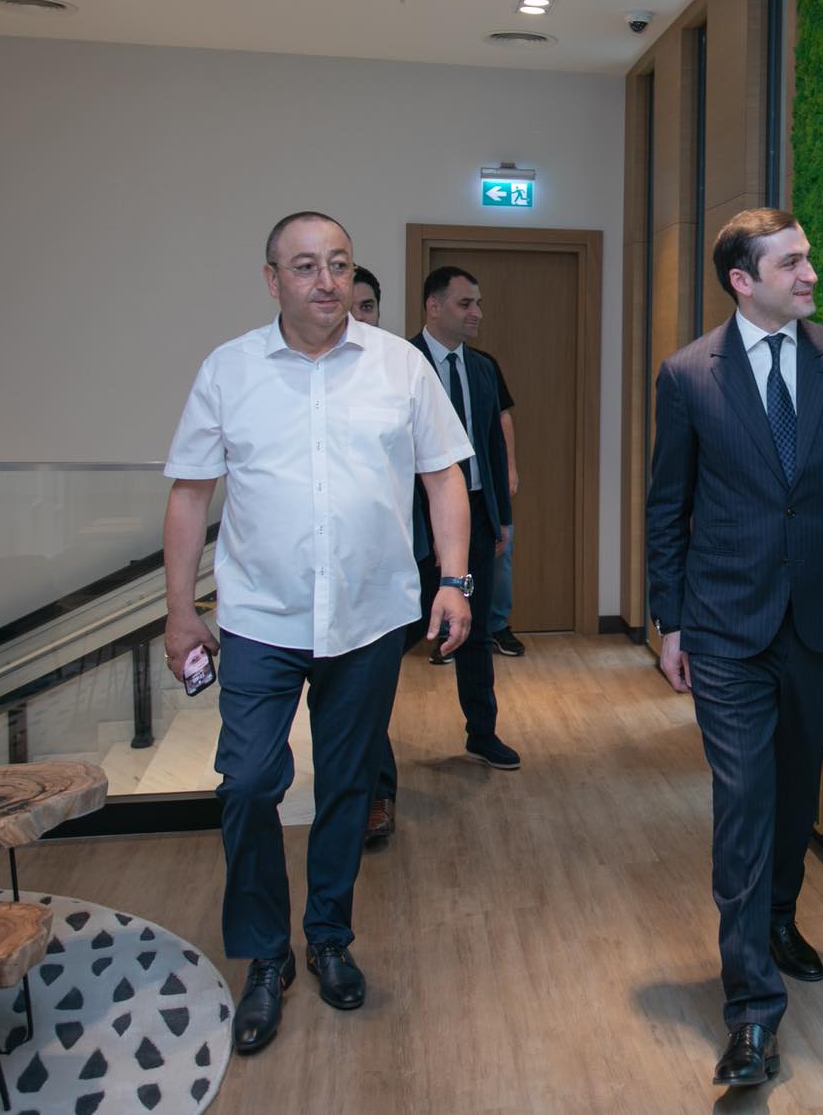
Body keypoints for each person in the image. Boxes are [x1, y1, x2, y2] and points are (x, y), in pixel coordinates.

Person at [162, 211, 477, 1057]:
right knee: (246, 783)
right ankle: (265, 954)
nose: (326, 280)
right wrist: (181, 608)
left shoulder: (399, 366)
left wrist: (454, 580)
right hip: (260, 619)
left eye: (338, 263)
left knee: (347, 786)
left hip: (370, 617)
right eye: (305, 266)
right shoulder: (229, 370)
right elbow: (190, 492)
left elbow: (444, 475)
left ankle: (328, 937)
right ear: (273, 280)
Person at [645, 208, 823, 1087]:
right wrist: (669, 621)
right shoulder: (689, 375)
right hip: (726, 623)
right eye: (791, 262)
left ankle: (777, 917)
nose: (810, 274)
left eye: (808, 258)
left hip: (822, 619)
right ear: (742, 280)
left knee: (795, 790)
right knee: (744, 801)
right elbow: (668, 505)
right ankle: (753, 1013)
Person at [395, 267, 519, 775]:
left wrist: (501, 518)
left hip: (478, 520)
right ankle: (369, 745)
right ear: (434, 306)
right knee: (398, 633)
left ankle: (482, 733)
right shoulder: (402, 363)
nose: (477, 313)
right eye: (466, 303)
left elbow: (493, 448)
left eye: (478, 304)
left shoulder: (483, 369)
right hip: (418, 524)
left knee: (478, 631)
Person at [471, 346, 524, 657]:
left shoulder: (484, 365)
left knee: (500, 549)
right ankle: (448, 632)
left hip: (488, 479)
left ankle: (497, 625)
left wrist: (510, 468)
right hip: (441, 480)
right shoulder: (415, 356)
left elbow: (503, 415)